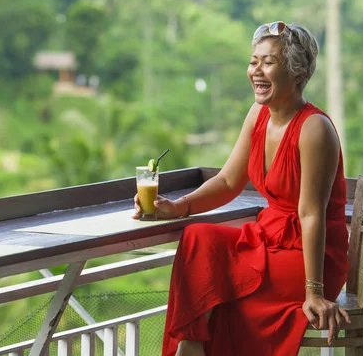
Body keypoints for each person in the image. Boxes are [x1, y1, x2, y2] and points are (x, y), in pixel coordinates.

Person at [133, 21, 351, 356]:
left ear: (297, 72)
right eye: (254, 61)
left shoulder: (314, 129)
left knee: (225, 298)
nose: (256, 72)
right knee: (197, 238)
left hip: (308, 257)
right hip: (269, 237)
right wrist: (177, 207)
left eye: (269, 62)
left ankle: (195, 350)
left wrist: (315, 291)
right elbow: (227, 181)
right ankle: (190, 346)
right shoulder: (258, 115)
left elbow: (310, 214)